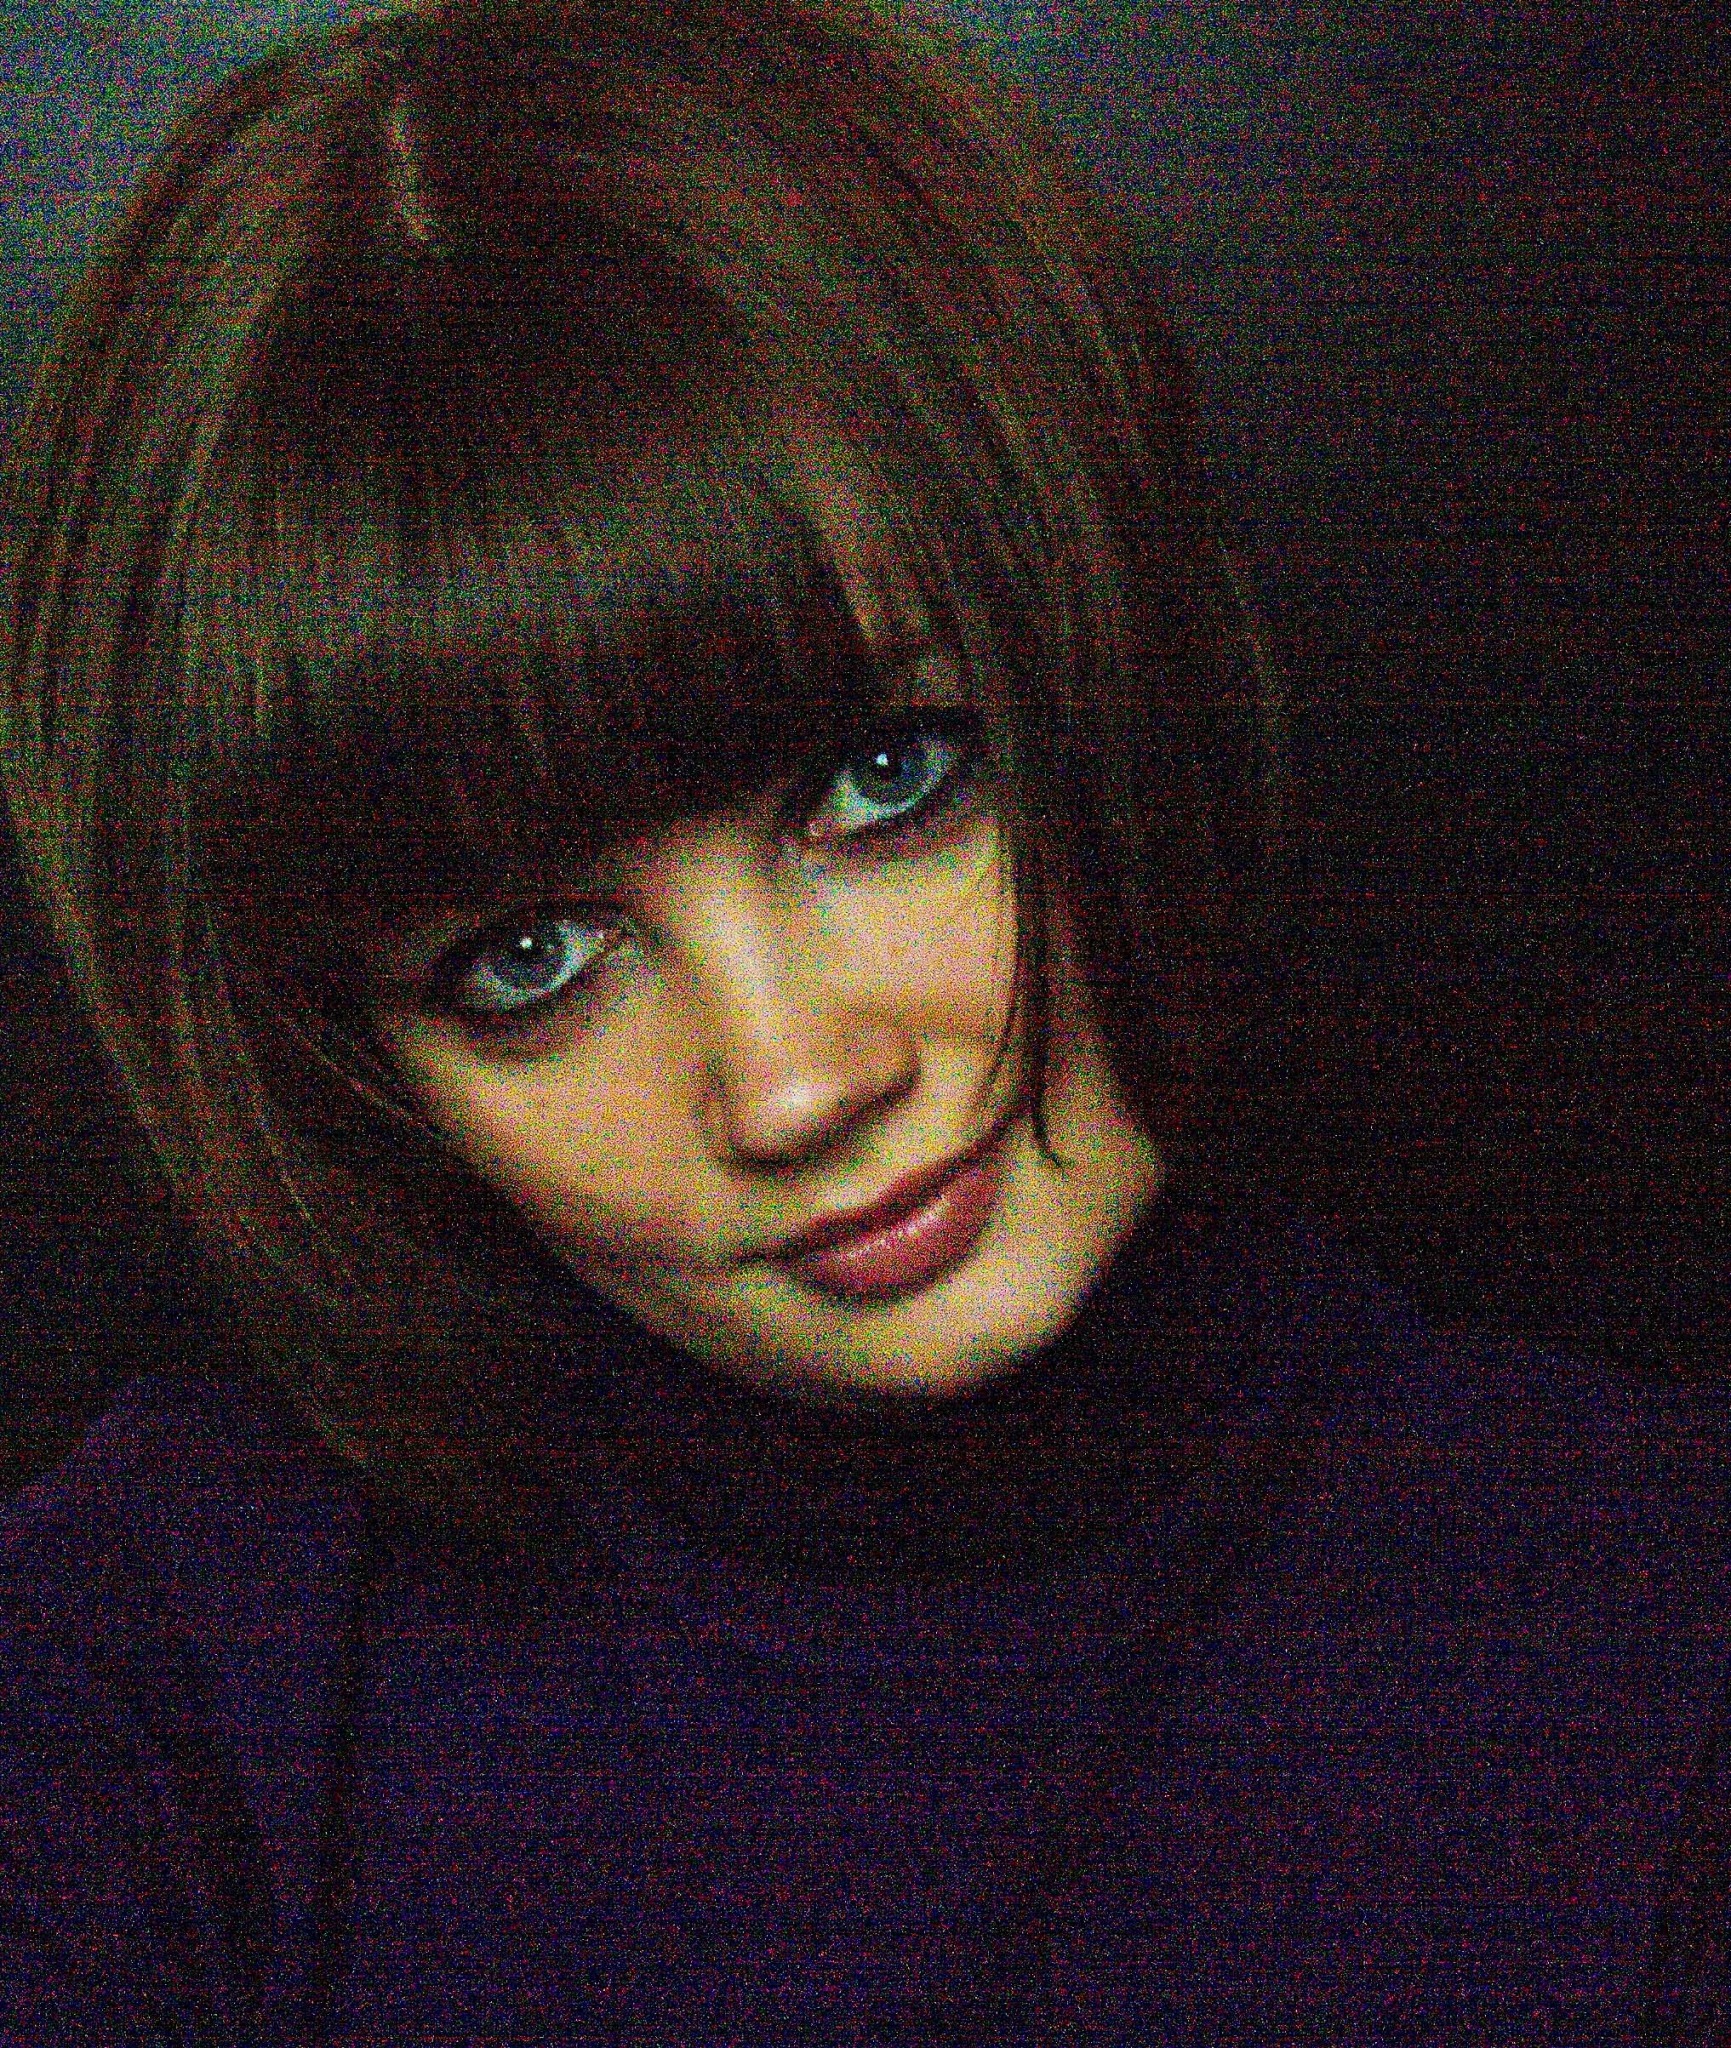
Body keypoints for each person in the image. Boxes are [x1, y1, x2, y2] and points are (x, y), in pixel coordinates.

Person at [0, 0, 1724, 2040]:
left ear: (1120, 639)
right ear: (363, 1063)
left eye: (890, 779)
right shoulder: (149, 1671)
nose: (796, 1083)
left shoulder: (1648, 1622)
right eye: (526, 958)